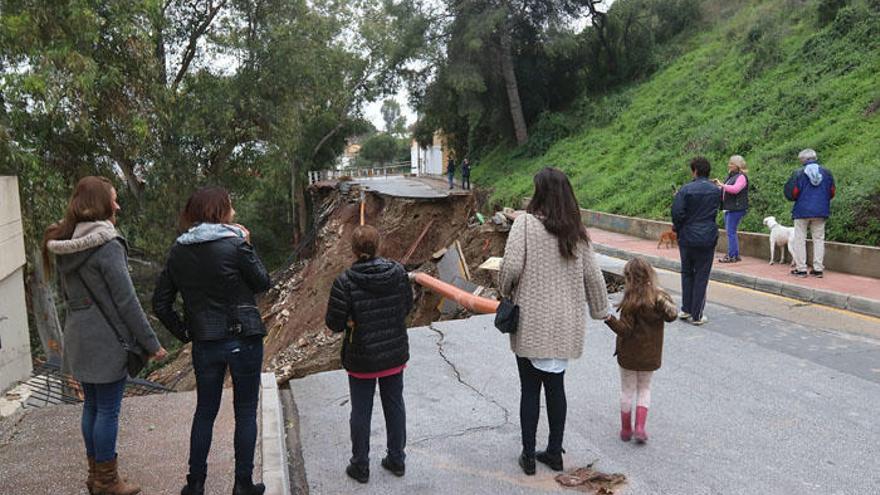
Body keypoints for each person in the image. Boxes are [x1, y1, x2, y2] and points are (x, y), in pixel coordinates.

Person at [44, 176, 167, 495]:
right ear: (100, 204)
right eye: (113, 199)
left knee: (93, 407)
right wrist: (151, 343)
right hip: (107, 340)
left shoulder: (64, 244)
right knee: (108, 409)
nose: (118, 205)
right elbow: (126, 300)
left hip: (79, 337)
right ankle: (108, 481)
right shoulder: (107, 245)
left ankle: (96, 476)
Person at [153, 187, 271, 495]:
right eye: (230, 206)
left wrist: (186, 332)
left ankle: (195, 484)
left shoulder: (179, 250)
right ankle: (242, 484)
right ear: (221, 211)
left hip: (205, 342)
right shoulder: (235, 244)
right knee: (245, 410)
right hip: (244, 337)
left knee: (205, 410)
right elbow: (262, 282)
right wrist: (248, 245)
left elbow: (160, 303)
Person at [499, 167, 610, 476]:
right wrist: (603, 312)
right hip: (566, 325)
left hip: (531, 322)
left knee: (529, 391)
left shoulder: (524, 224)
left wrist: (504, 291)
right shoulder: (577, 232)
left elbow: (510, 269)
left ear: (540, 193)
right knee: (556, 388)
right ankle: (554, 452)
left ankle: (528, 456)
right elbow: (594, 277)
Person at [325, 225, 413, 484]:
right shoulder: (398, 273)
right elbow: (407, 305)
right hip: (394, 353)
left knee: (361, 411)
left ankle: (360, 465)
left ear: (352, 250)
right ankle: (397, 459)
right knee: (395, 405)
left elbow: (334, 323)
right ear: (379, 246)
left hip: (361, 357)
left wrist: (352, 320)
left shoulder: (345, 281)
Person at [603, 258, 678, 444]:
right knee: (644, 389)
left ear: (628, 278)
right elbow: (672, 315)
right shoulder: (658, 298)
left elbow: (625, 330)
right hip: (649, 356)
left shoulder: (630, 301)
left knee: (627, 391)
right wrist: (661, 296)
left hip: (628, 355)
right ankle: (640, 428)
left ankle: (626, 430)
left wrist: (609, 319)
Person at [672, 156, 721, 326]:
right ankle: (697, 314)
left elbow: (677, 213)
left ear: (695, 171)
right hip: (707, 236)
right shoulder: (716, 190)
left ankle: (686, 309)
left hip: (687, 236)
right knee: (701, 275)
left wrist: (679, 229)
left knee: (687, 272)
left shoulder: (685, 190)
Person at [784, 148, 836, 278]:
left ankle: (801, 269)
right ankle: (818, 269)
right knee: (818, 239)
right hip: (821, 211)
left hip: (802, 211)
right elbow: (832, 192)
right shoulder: (827, 173)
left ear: (803, 160)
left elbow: (792, 193)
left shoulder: (799, 173)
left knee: (800, 239)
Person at [712, 155, 749, 263]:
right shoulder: (731, 176)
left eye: (732, 164)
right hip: (729, 207)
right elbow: (725, 189)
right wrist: (718, 186)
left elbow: (735, 189)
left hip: (736, 208)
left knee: (731, 232)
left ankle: (732, 255)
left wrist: (722, 185)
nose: (729, 165)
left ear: (738, 165)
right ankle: (734, 254)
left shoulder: (741, 177)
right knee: (731, 231)